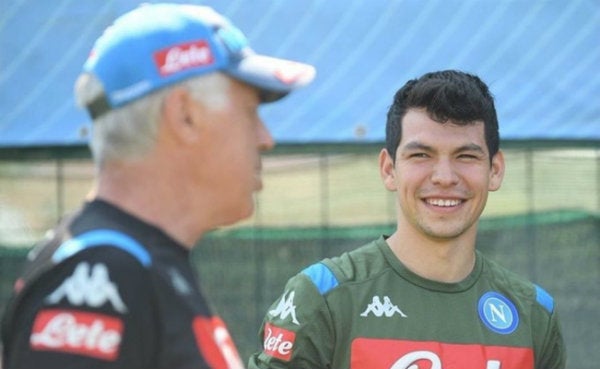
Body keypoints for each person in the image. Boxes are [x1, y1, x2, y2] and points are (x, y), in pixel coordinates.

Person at [1, 3, 315, 369]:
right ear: (185, 115)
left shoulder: (127, 263)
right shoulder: (102, 275)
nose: (266, 138)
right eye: (249, 112)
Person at [248, 70, 566, 369]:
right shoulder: (322, 298)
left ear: (495, 170)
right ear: (389, 169)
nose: (444, 177)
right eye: (421, 155)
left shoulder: (534, 314)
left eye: (466, 156)